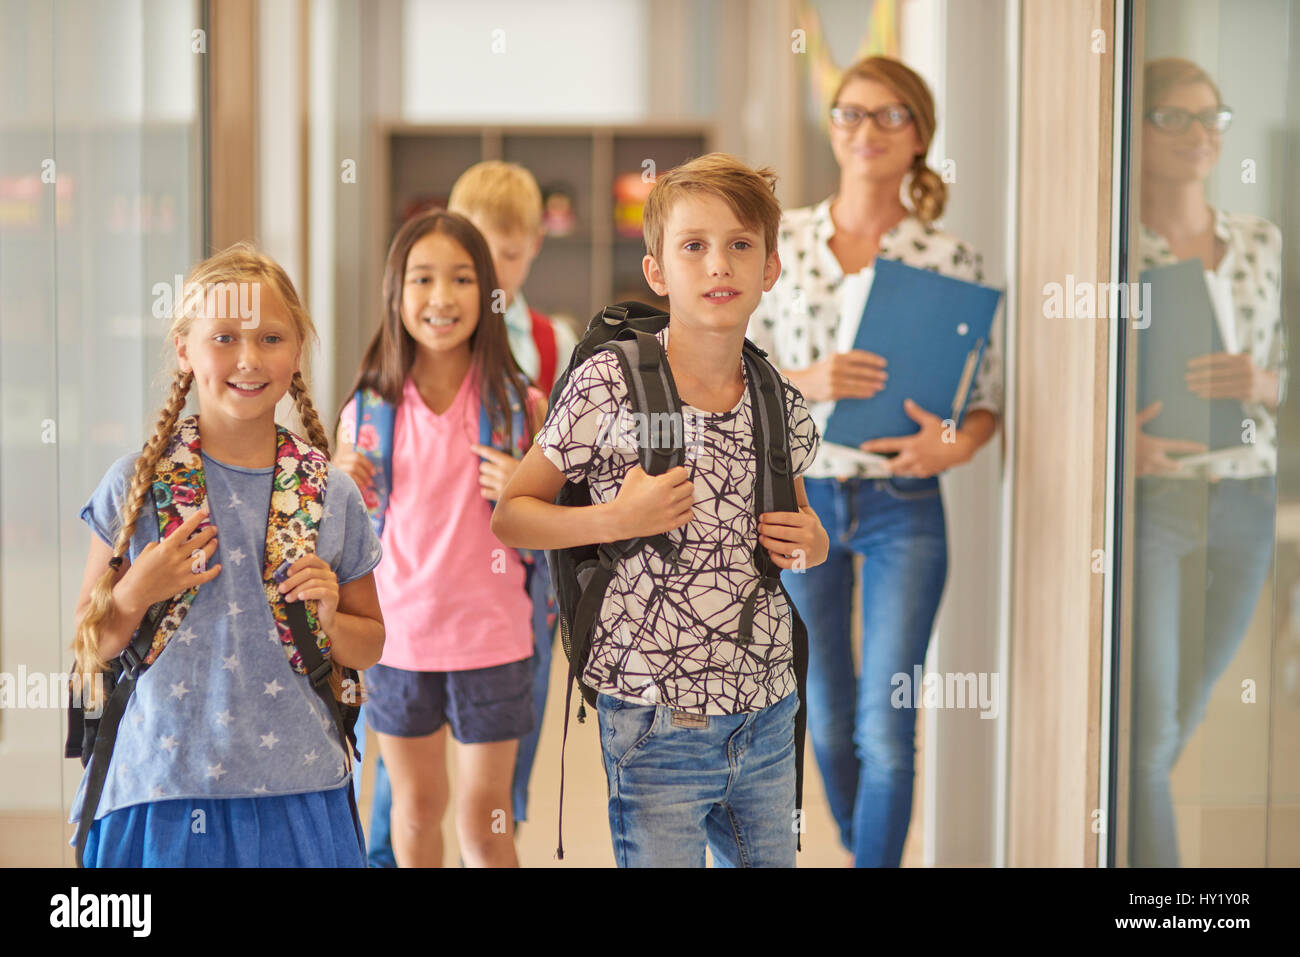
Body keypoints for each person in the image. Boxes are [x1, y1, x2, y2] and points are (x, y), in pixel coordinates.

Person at [492, 152, 829, 868]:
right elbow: (513, 513)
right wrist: (615, 519)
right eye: (694, 246)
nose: (719, 265)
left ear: (770, 268)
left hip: (768, 710)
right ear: (657, 271)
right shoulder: (608, 383)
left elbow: (803, 528)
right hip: (653, 716)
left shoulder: (776, 396)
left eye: (741, 245)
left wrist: (813, 541)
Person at [748, 55, 1003, 867]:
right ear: (833, 127)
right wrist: (809, 379)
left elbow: (984, 401)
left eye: (892, 114)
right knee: (824, 714)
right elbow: (730, 376)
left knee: (887, 724)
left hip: (905, 504)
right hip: (801, 499)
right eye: (853, 112)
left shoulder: (950, 258)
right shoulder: (779, 245)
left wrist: (952, 442)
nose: (869, 129)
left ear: (920, 135)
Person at [69, 243, 385, 867]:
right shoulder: (137, 484)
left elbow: (370, 644)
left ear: (297, 350)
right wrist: (136, 590)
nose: (249, 359)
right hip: (160, 792)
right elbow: (88, 648)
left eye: (271, 338)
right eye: (224, 338)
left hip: (299, 792)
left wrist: (327, 620)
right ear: (184, 349)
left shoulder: (330, 493)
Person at [334, 209, 546, 867]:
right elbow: (335, 535)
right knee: (416, 811)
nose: (441, 297)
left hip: (494, 642)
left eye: (461, 279)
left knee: (486, 824)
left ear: (487, 294)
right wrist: (338, 483)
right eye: (423, 278)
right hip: (398, 642)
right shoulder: (366, 410)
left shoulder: (521, 405)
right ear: (396, 293)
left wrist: (525, 490)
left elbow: (555, 527)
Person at [1128, 57, 1285, 867]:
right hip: (1157, 498)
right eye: (1174, 116)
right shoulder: (1118, 247)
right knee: (1151, 732)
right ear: (1138, 127)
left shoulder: (1260, 240)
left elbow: (1281, 372)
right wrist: (1119, 444)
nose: (1199, 134)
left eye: (1211, 117)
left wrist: (1263, 382)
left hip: (1247, 497)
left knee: (1177, 718)